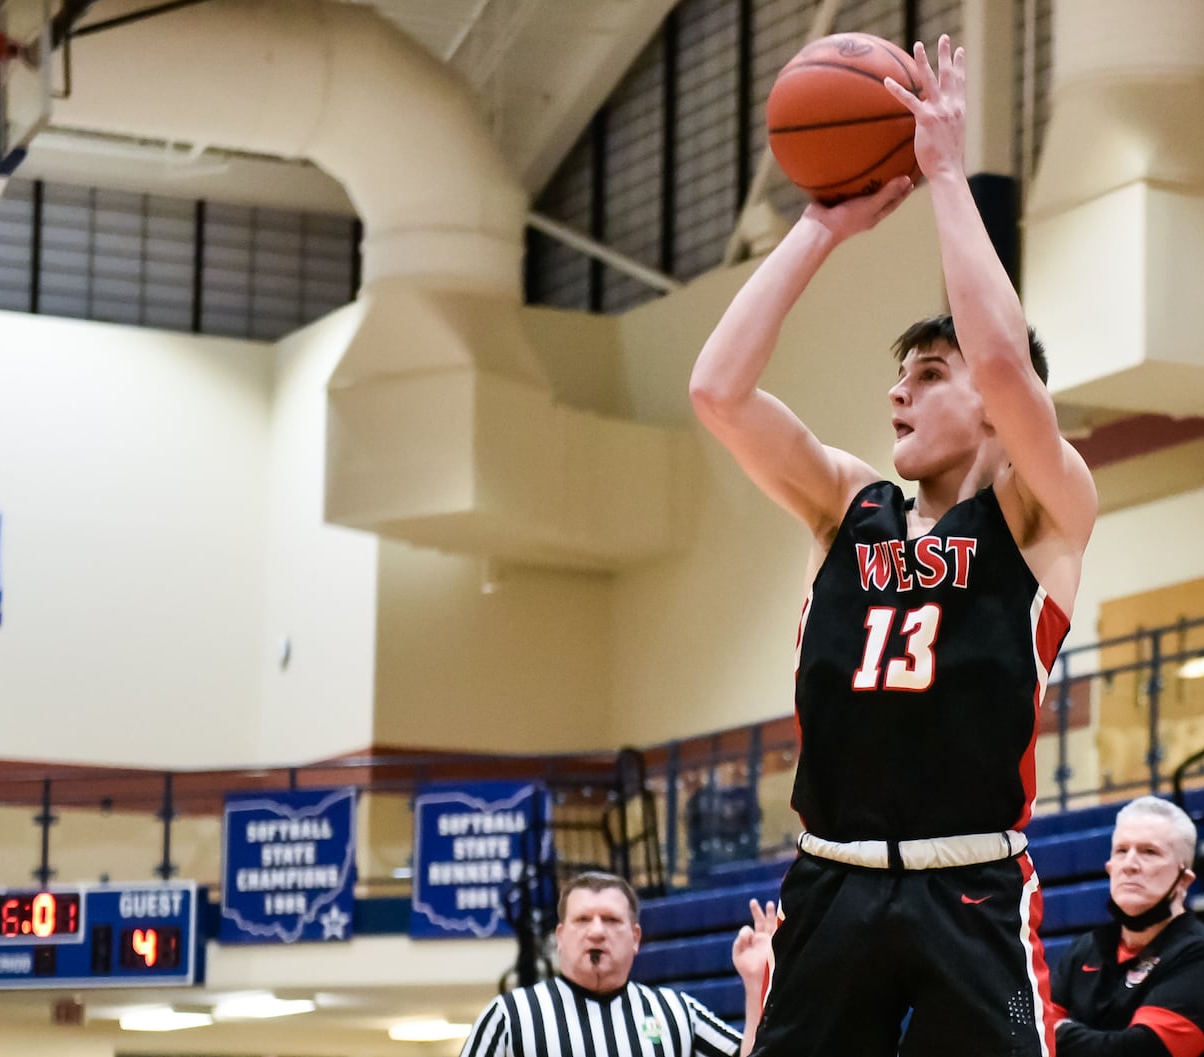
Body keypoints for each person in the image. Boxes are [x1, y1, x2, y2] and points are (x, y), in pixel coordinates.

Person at [688, 36, 1098, 1057]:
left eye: (925, 372)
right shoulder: (847, 506)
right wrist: (818, 228)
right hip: (829, 884)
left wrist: (948, 176)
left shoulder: (1041, 513)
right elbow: (717, 391)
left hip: (970, 889)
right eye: (900, 374)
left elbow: (1002, 358)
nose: (895, 393)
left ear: (1000, 412)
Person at [457, 873, 775, 1057]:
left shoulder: (676, 1012)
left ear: (635, 937)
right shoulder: (511, 1016)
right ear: (561, 937)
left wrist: (755, 983)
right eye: (583, 920)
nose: (596, 931)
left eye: (610, 920)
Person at [1050, 797, 1204, 1057]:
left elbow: (1141, 1052)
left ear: (1184, 880)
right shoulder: (1084, 950)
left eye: (1149, 852)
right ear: (1109, 868)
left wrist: (1058, 1032)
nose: (1129, 865)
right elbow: (1029, 1036)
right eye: (1121, 851)